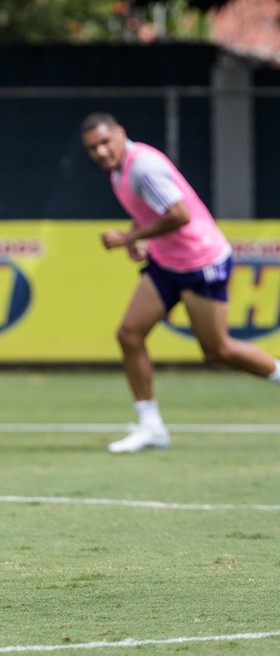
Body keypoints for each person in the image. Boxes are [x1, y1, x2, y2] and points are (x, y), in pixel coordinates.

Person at [80, 112, 280, 453]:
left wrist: (130, 238)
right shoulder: (119, 170)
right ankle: (151, 426)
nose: (100, 152)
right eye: (92, 148)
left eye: (104, 142)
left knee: (218, 350)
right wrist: (143, 239)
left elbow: (179, 214)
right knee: (129, 334)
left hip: (200, 261)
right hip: (168, 261)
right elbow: (152, 211)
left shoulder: (142, 166)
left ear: (120, 134)